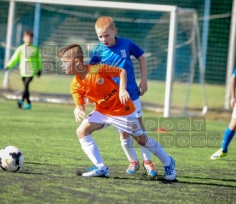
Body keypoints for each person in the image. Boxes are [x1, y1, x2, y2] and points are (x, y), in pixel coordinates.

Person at [59, 43, 176, 180]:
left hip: (122, 111)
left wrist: (122, 89)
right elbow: (80, 104)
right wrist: (78, 108)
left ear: (77, 61)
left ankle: (168, 162)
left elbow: (121, 72)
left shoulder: (97, 70)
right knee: (81, 131)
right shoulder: (75, 84)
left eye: (65, 62)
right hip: (102, 112)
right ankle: (101, 167)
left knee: (142, 140)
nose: (62, 65)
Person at [87, 16, 157, 176]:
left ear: (115, 31)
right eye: (100, 36)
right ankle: (133, 161)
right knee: (123, 132)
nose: (103, 39)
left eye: (107, 35)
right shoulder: (97, 50)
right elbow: (91, 71)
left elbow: (141, 58)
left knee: (139, 130)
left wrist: (144, 80)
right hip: (113, 100)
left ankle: (148, 162)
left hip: (132, 94)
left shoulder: (126, 43)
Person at [4, 30, 42, 109]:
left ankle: (21, 100)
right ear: (23, 38)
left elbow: (39, 60)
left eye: (30, 38)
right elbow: (14, 58)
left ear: (32, 39)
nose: (28, 39)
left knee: (26, 85)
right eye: (27, 38)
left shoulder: (35, 49)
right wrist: (8, 66)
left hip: (31, 71)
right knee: (26, 87)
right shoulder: (20, 48)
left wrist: (39, 69)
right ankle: (28, 103)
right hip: (23, 71)